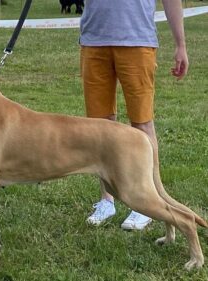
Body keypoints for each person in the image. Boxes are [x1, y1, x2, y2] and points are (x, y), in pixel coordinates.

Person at [80, 0, 189, 229]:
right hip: (94, 40)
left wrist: (181, 44)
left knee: (142, 123)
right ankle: (106, 200)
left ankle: (146, 201)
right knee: (100, 128)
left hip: (137, 41)